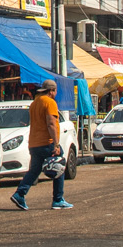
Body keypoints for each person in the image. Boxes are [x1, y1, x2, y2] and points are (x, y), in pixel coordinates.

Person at [11, 81, 73, 212]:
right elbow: (51, 124)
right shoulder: (49, 102)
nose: (56, 94)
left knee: (34, 171)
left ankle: (20, 194)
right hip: (47, 142)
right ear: (51, 91)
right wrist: (56, 144)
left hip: (34, 143)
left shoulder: (34, 103)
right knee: (59, 167)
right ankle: (58, 199)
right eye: (55, 91)